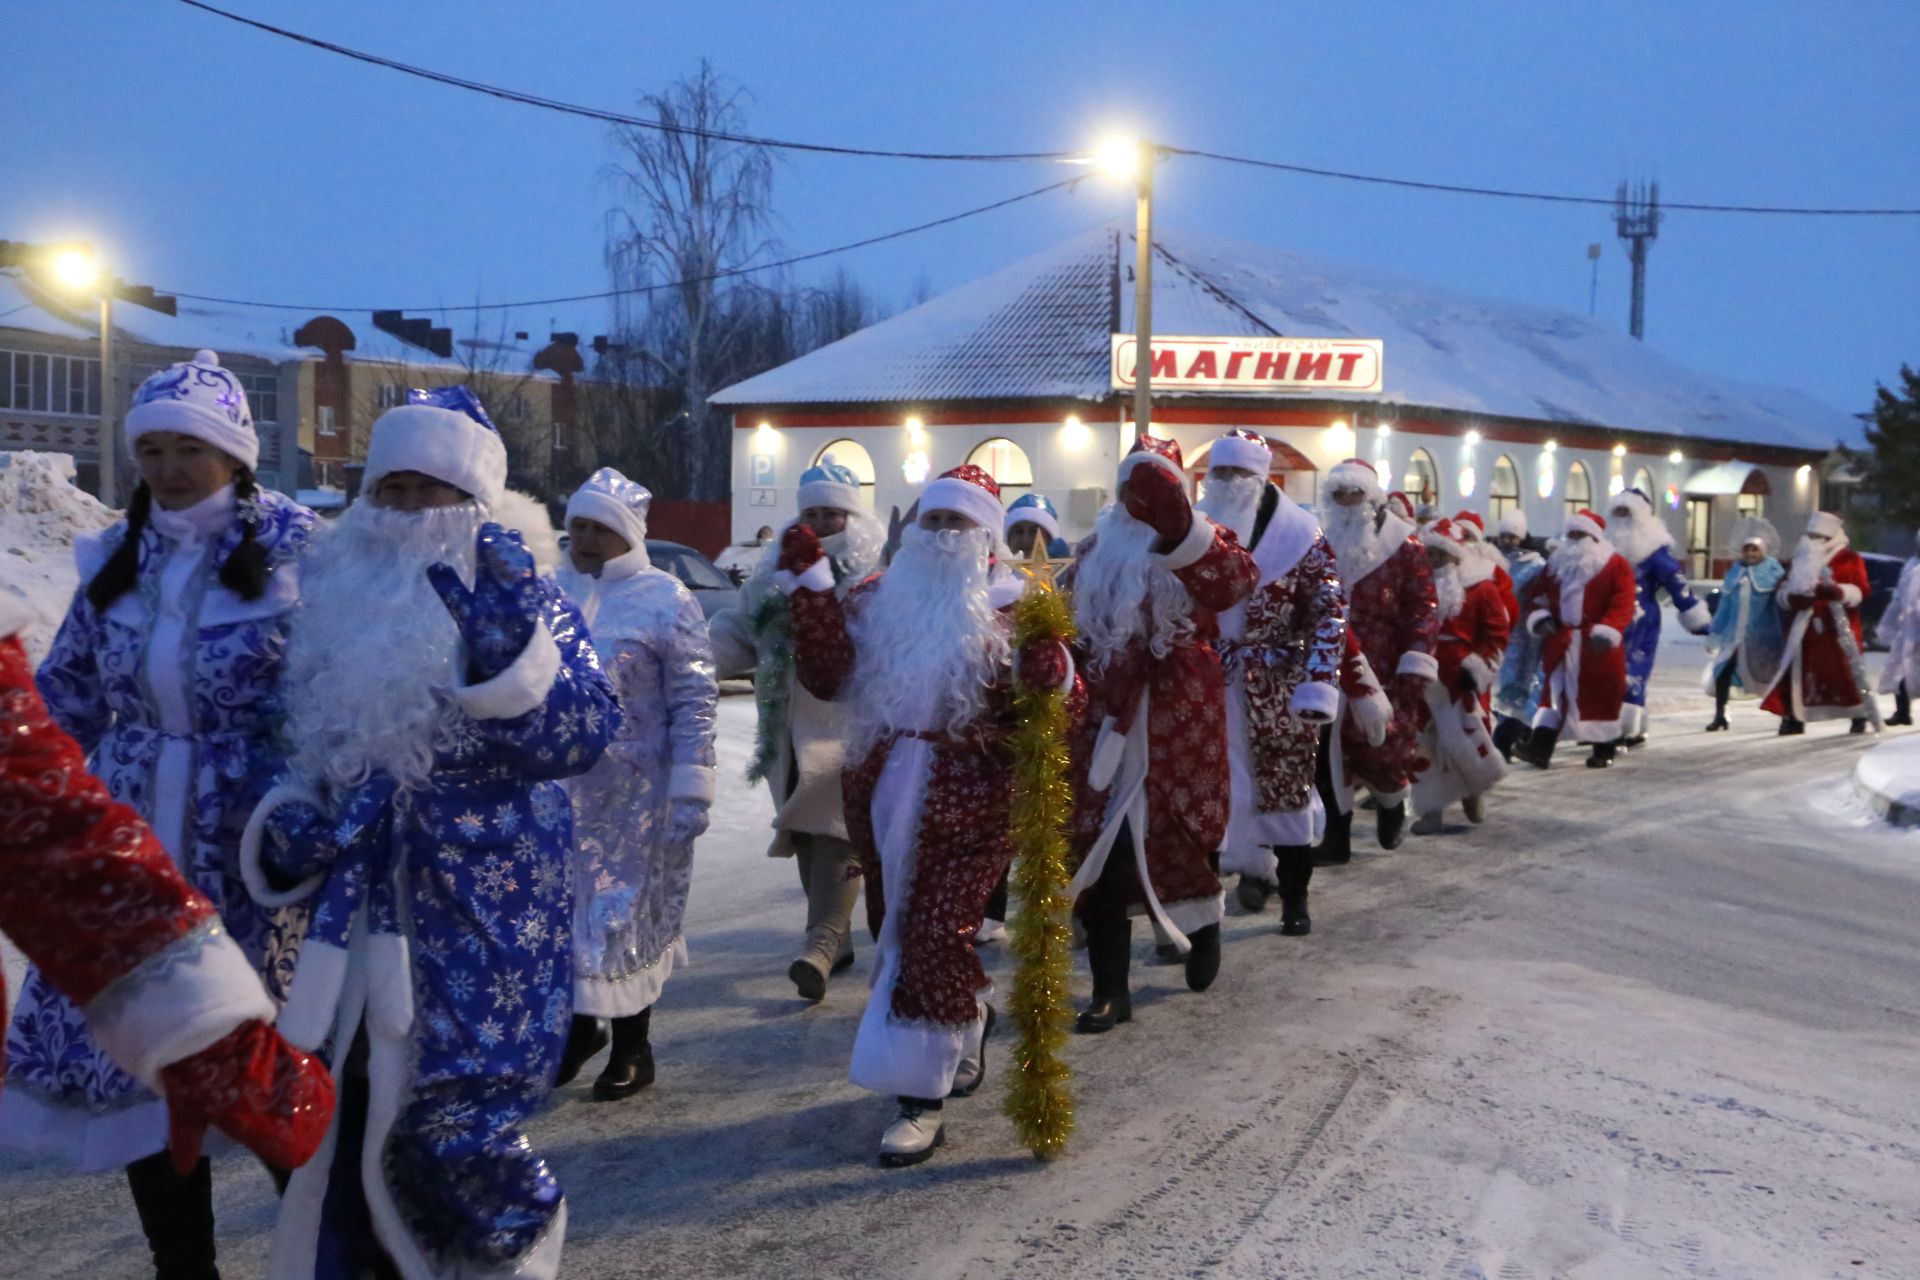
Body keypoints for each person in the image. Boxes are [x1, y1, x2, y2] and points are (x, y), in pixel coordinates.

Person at [240, 386, 617, 1280]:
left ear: (473, 502)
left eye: (430, 490)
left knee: (456, 1132)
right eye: (392, 489)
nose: (408, 511)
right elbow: (287, 738)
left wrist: (506, 659)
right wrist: (288, 813)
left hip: (483, 906)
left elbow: (585, 732)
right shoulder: (333, 594)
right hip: (358, 913)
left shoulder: (525, 591)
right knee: (347, 1113)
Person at [0, 350, 318, 1276]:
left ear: (237, 455)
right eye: (154, 452)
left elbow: (337, 707)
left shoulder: (304, 555)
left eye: (191, 449)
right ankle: (187, 1268)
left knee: (268, 1073)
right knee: (154, 1067)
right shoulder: (115, 560)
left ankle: (320, 1253)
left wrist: (314, 819)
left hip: (255, 855)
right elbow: (63, 700)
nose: (171, 470)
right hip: (141, 849)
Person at [783, 464, 1074, 1166]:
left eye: (960, 523)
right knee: (897, 929)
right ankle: (963, 1015)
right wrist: (812, 592)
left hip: (972, 798)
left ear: (986, 536)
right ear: (914, 530)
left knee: (934, 932)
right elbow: (827, 676)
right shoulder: (876, 599)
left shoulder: (1014, 607)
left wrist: (1052, 676)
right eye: (934, 520)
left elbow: (1061, 704)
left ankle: (921, 1100)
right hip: (883, 790)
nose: (944, 535)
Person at [1063, 436, 1258, 1032]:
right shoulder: (1094, 550)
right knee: (1104, 850)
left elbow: (1234, 582)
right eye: (1129, 491)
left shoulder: (1204, 540)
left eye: (1149, 492)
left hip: (1179, 720)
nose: (1135, 506)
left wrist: (1177, 526)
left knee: (1182, 838)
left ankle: (1203, 928)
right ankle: (1109, 989)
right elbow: (1061, 619)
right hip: (1105, 724)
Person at [553, 468, 717, 1101]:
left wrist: (690, 782)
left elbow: (695, 695)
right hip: (559, 791)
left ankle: (631, 1044)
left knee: (626, 914)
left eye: (600, 528)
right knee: (564, 914)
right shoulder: (550, 591)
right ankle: (576, 1027)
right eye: (579, 527)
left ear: (626, 533)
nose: (587, 540)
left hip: (636, 796)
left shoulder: (666, 598)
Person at [708, 459, 887, 1001]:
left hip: (846, 721)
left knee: (837, 827)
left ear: (852, 516)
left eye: (833, 512)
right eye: (812, 512)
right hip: (786, 725)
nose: (823, 522)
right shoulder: (773, 572)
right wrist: (693, 658)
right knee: (807, 831)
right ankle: (837, 939)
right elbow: (739, 629)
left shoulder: (869, 575)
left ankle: (823, 942)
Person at [1195, 430, 1345, 936]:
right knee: (1205, 796)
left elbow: (1330, 611)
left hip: (1276, 686)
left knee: (1284, 794)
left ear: (1261, 479)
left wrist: (1318, 681)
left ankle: (1295, 897)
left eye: (1241, 473)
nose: (1230, 482)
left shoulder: (1302, 536)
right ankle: (1199, 914)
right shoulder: (1192, 534)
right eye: (1221, 472)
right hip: (1203, 685)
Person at [1316, 459, 1439, 856]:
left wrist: (1415, 658)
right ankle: (1335, 840)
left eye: (1356, 493)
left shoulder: (1405, 545)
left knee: (1381, 749)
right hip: (1330, 660)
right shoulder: (1319, 540)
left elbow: (1422, 607)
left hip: (1384, 665)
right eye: (1339, 494)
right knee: (1330, 754)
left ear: (1372, 497)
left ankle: (1391, 799)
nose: (1348, 501)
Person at [1410, 519, 1511, 833]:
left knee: (1465, 739)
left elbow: (1497, 634)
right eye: (1430, 555)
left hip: (1461, 677)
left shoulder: (1481, 589)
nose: (1435, 561)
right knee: (1425, 743)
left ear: (1456, 556)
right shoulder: (1415, 588)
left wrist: (1478, 668)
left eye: (1441, 555)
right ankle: (1431, 808)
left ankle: (1473, 789)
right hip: (1425, 676)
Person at [1517, 510, 1636, 768]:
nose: (1573, 540)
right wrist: (1541, 617)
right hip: (1562, 641)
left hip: (1597, 645)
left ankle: (1604, 748)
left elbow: (1623, 602)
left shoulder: (1615, 565)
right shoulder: (1555, 566)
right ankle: (1540, 748)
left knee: (1600, 698)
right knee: (1554, 695)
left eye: (1580, 534)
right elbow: (1538, 597)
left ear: (1593, 537)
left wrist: (1609, 629)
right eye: (1570, 534)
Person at [1606, 488, 1712, 746]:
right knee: (1609, 671)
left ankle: (1627, 727)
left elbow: (1676, 582)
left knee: (1635, 671)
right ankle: (1613, 725)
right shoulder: (1604, 542)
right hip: (1608, 617)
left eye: (1627, 512)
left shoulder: (1653, 548)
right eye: (1617, 512)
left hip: (1642, 619)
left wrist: (1691, 612)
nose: (1622, 518)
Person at [1760, 511, 1877, 735]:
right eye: (1811, 535)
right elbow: (1784, 587)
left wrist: (1837, 592)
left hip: (1835, 631)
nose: (1814, 540)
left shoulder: (1848, 559)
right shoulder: (1800, 559)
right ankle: (1794, 716)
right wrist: (1790, 598)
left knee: (1843, 673)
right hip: (1802, 631)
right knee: (1797, 675)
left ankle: (1857, 713)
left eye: (1820, 537)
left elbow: (1860, 590)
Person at [1705, 520, 1786, 731]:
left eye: (1755, 549)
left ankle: (1787, 714)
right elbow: (1725, 605)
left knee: (1773, 677)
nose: (1750, 554)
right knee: (1723, 672)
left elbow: (1782, 604)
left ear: (1763, 551)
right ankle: (1720, 714)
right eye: (1747, 549)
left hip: (1763, 638)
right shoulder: (1735, 574)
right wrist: (1715, 631)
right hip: (1735, 636)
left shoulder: (1774, 574)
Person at [1491, 508, 1549, 760]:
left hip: (1525, 636)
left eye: (1513, 536)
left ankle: (1512, 736)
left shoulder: (1535, 565)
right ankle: (1509, 732)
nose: (1508, 541)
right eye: (1504, 535)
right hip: (1502, 634)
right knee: (1502, 685)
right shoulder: (1495, 561)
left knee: (1522, 685)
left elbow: (1540, 597)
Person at [1874, 527, 1920, 727]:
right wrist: (1888, 623)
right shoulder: (1911, 566)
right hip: (1909, 630)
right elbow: (1899, 598)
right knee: (1901, 671)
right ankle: (1902, 712)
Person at [1004, 492, 1070, 561]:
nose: (1026, 540)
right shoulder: (997, 570)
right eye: (1018, 531)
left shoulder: (1073, 570)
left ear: (1049, 539)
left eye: (1034, 532)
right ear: (1008, 539)